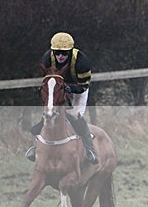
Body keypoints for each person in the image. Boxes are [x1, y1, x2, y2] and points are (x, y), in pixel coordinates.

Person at [26, 32, 98, 164]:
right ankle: (36, 145)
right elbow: (47, 80)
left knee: (75, 116)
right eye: (57, 52)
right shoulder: (47, 58)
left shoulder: (82, 62)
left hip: (78, 88)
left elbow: (84, 86)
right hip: (58, 88)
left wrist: (69, 89)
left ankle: (89, 149)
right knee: (48, 113)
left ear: (70, 52)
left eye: (64, 53)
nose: (60, 56)